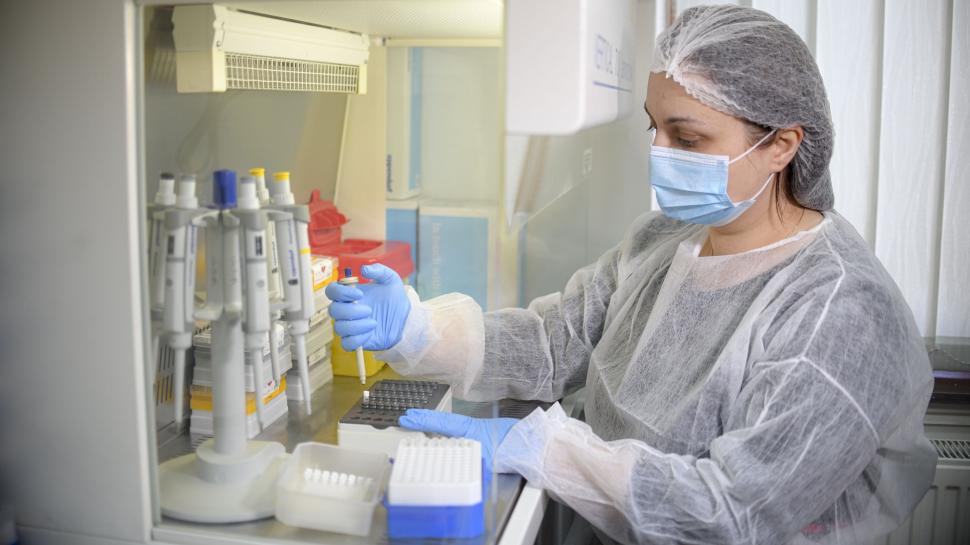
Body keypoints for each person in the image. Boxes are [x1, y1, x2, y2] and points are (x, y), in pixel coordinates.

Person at [327, 5, 936, 544]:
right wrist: (421, 330)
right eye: (655, 127)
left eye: (687, 138)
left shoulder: (841, 311)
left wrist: (546, 451)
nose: (659, 154)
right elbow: (555, 342)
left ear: (782, 145)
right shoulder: (664, 241)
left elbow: (733, 515)